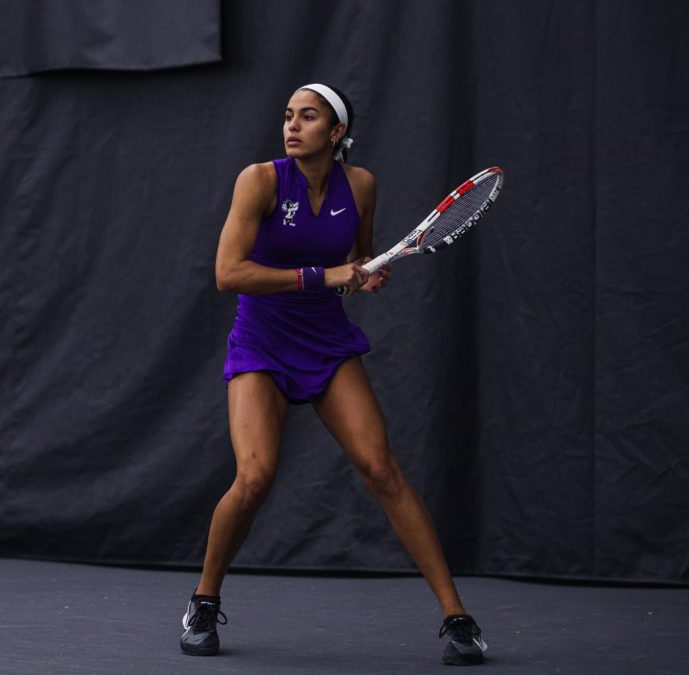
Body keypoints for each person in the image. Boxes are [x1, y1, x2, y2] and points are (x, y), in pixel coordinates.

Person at [179, 83, 487, 666]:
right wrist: (322, 276)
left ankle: (457, 618)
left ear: (337, 132)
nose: (292, 126)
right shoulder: (260, 180)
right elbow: (228, 273)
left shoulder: (361, 185)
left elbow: (360, 261)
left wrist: (365, 276)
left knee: (382, 470)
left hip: (326, 343)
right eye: (289, 116)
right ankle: (203, 599)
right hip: (262, 343)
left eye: (309, 117)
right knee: (254, 479)